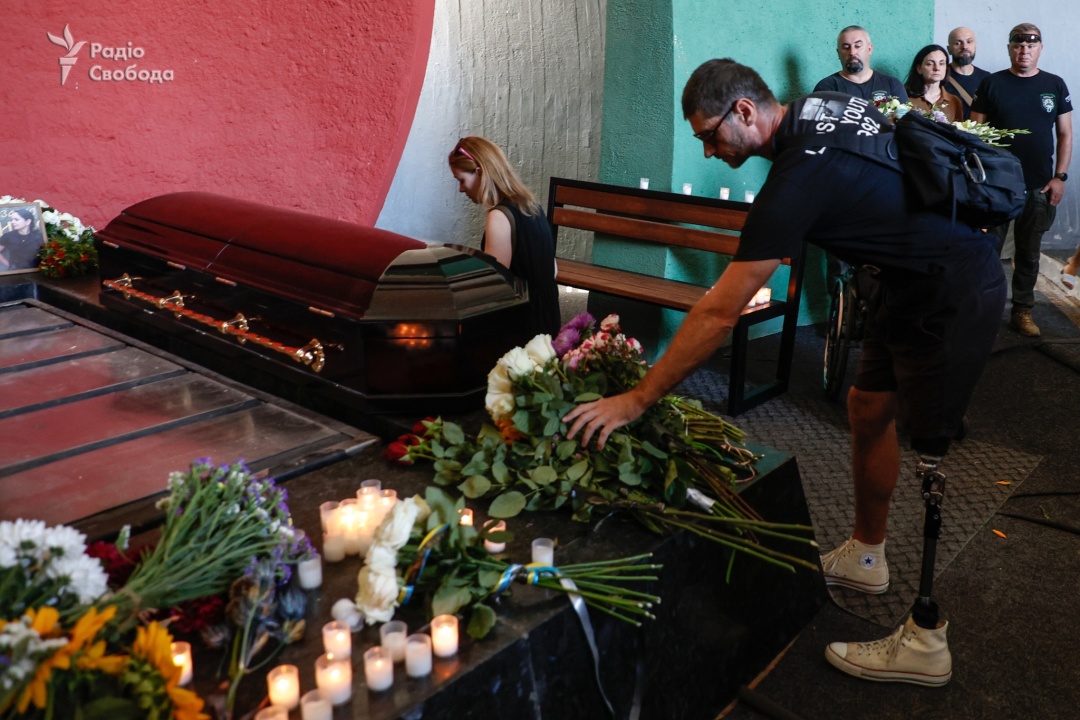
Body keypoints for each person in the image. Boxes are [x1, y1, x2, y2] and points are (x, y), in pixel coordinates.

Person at [566, 58, 1007, 686]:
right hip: (906, 281)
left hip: (954, 289)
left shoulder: (798, 176)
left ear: (745, 111)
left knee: (930, 457)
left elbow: (720, 311)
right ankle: (868, 556)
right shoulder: (817, 110)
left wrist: (637, 399)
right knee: (865, 408)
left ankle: (928, 640)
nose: (709, 150)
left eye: (709, 135)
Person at [971, 23, 1073, 338]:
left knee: (1028, 253)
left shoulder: (1054, 85)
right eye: (1018, 45)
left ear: (1040, 48)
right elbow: (974, 135)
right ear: (1010, 49)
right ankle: (983, 312)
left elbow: (1065, 134)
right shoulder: (992, 83)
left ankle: (1022, 311)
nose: (1024, 50)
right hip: (998, 186)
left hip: (1039, 184)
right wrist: (980, 180)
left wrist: (1060, 177)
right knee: (987, 251)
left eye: (1031, 45)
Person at [448, 136, 561, 337]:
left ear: (479, 172)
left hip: (525, 325)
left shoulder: (499, 217)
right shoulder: (532, 205)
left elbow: (494, 290)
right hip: (549, 317)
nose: (461, 189)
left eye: (461, 180)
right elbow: (553, 269)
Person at [813, 26, 908, 104]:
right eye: (846, 47)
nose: (852, 52)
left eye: (858, 46)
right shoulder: (826, 87)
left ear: (869, 49)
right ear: (838, 53)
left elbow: (905, 119)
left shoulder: (892, 84)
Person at [904, 45, 961, 123]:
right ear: (919, 68)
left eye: (941, 63)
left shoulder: (954, 101)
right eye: (930, 64)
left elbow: (958, 129)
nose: (937, 68)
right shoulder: (905, 96)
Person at [944, 26, 990, 120]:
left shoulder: (987, 79)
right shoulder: (939, 76)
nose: (964, 47)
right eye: (958, 43)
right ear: (949, 49)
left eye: (969, 41)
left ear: (975, 46)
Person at [0, 207, 44, 271]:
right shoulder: (8, 236)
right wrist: (8, 264)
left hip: (36, 271)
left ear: (28, 222)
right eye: (12, 220)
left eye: (16, 219)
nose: (12, 222)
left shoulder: (38, 236)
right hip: (14, 272)